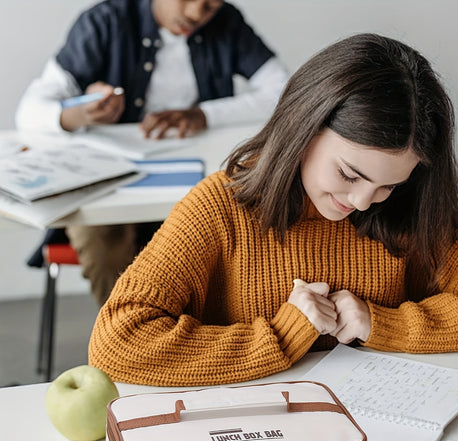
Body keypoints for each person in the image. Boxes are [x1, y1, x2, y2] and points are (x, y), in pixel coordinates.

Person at [88, 33, 458, 387]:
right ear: (304, 128)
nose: (362, 202)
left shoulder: (406, 208)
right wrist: (282, 334)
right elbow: (118, 341)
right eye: (349, 174)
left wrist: (385, 324)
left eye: (388, 185)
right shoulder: (221, 208)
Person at [17, 0, 288, 305]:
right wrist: (81, 115)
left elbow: (283, 89)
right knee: (102, 240)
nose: (197, 14)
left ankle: (191, 338)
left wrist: (205, 114)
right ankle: (127, 334)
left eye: (211, 6)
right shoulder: (105, 21)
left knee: (232, 230)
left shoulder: (226, 22)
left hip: (187, 184)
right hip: (111, 191)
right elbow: (29, 111)